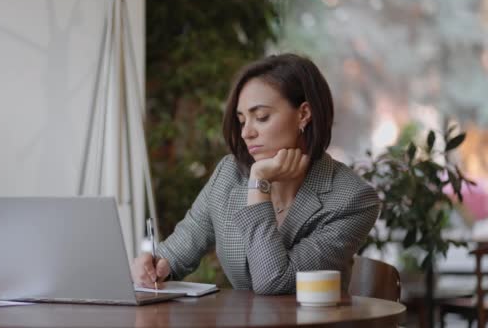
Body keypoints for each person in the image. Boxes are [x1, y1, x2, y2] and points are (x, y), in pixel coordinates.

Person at [131, 53, 380, 295]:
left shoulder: (353, 200)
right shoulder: (229, 174)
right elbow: (176, 253)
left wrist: (259, 184)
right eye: (242, 120)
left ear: (303, 114)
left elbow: (273, 282)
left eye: (261, 117)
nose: (246, 133)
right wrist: (154, 266)